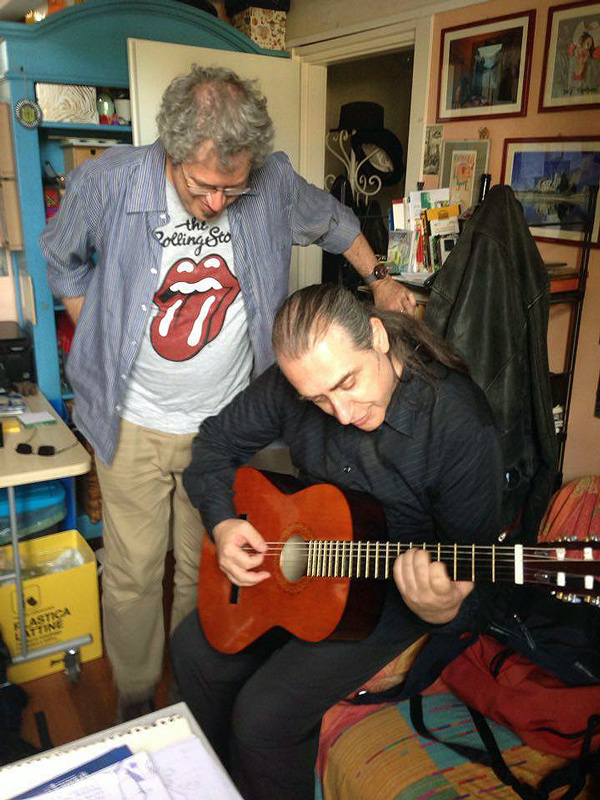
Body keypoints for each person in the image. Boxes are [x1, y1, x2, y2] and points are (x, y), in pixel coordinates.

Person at [39, 66, 415, 721]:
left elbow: (334, 221)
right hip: (132, 421)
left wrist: (381, 277)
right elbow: (60, 257)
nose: (217, 203)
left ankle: (190, 696)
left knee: (207, 565)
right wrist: (93, 326)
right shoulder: (108, 182)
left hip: (227, 428)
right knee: (132, 571)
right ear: (172, 150)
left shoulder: (270, 183)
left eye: (231, 189)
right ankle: (135, 699)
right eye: (202, 186)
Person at [173, 283, 503, 800]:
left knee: (263, 718)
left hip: (385, 598)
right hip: (303, 564)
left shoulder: (458, 423)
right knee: (194, 649)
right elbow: (213, 445)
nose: (343, 412)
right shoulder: (295, 384)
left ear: (377, 336)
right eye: (318, 400)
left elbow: (476, 578)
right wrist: (223, 524)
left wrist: (442, 608)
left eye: (348, 382)